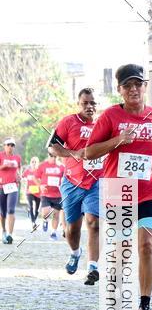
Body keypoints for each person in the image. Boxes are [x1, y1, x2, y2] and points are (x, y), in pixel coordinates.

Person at [81, 64, 152, 310]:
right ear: (120, 90)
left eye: (138, 84)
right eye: (127, 85)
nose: (133, 89)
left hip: (150, 191)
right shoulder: (110, 116)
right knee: (122, 249)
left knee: (146, 245)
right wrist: (117, 140)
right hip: (119, 190)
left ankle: (144, 306)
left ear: (145, 86)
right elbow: (89, 152)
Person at [48, 88, 103, 285]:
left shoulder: (103, 123)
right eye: (85, 103)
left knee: (94, 222)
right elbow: (52, 147)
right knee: (72, 230)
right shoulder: (68, 122)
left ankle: (93, 267)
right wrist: (74, 153)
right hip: (71, 182)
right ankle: (75, 252)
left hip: (96, 181)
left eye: (93, 103)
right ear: (79, 104)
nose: (89, 106)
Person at [36, 153, 65, 240]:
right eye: (51, 156)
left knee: (56, 214)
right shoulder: (42, 165)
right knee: (45, 212)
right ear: (48, 156)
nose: (53, 158)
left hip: (57, 194)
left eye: (55, 156)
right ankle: (45, 220)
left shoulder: (61, 166)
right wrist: (40, 186)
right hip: (46, 193)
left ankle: (53, 232)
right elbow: (36, 177)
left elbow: (66, 178)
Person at [0, 137, 22, 244]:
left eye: (12, 145)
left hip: (13, 186)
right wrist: (3, 166)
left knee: (11, 210)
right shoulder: (0, 155)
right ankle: (4, 231)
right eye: (8, 145)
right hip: (1, 186)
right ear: (4, 146)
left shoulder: (17, 158)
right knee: (2, 212)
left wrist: (19, 176)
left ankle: (10, 234)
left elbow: (19, 169)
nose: (10, 147)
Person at [22, 156, 41, 228]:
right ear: (30, 163)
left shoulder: (39, 171)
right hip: (29, 191)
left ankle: (34, 220)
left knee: (37, 209)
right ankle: (33, 222)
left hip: (38, 192)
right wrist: (23, 181)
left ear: (37, 163)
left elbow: (43, 180)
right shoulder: (27, 171)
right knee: (31, 206)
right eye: (32, 161)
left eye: (35, 162)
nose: (34, 163)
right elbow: (22, 178)